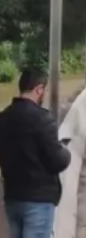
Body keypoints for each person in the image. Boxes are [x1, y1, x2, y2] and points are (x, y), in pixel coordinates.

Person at [0, 68, 72, 238]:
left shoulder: (3, 118)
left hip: (12, 197)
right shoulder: (43, 119)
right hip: (39, 200)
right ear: (39, 90)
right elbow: (57, 161)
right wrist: (65, 151)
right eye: (44, 91)